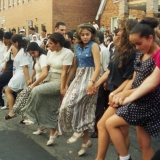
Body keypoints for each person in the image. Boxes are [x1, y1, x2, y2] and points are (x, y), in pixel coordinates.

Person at [106, 18, 160, 160]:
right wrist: (121, 93)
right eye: (134, 44)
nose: (137, 47)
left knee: (110, 123)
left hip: (147, 101)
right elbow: (136, 80)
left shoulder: (158, 55)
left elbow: (152, 84)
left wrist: (126, 96)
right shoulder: (140, 54)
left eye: (139, 43)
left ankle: (124, 158)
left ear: (150, 38)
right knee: (144, 144)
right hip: (138, 97)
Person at [95, 19, 137, 160]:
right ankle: (122, 157)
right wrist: (95, 84)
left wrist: (117, 93)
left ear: (127, 32)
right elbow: (109, 71)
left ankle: (103, 158)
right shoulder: (119, 49)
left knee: (103, 124)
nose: (117, 32)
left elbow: (130, 78)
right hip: (114, 92)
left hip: (121, 94)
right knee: (122, 131)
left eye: (120, 29)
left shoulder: (132, 52)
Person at [23, 32, 73, 146]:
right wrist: (40, 80)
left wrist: (63, 87)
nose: (48, 46)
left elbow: (65, 72)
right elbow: (47, 68)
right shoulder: (50, 52)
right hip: (50, 78)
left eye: (50, 43)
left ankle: (27, 112)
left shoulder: (68, 53)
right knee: (48, 105)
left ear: (58, 43)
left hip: (59, 80)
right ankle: (49, 132)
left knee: (35, 90)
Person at [58, 23, 100, 156]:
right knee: (65, 105)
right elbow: (74, 67)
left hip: (90, 78)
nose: (85, 37)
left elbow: (98, 67)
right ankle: (85, 140)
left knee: (84, 109)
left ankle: (81, 135)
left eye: (87, 34)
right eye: (82, 34)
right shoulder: (76, 46)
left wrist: (92, 83)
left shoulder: (94, 46)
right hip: (78, 77)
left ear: (92, 34)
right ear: (79, 35)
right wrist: (66, 84)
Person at [13, 42, 48, 123]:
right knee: (22, 97)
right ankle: (28, 118)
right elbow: (35, 68)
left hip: (43, 82)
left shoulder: (43, 57)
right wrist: (31, 78)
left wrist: (34, 85)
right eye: (30, 53)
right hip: (38, 81)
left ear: (37, 50)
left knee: (25, 97)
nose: (32, 55)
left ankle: (29, 117)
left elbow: (45, 73)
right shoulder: (37, 57)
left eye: (33, 52)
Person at [4, 34, 33, 119]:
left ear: (16, 43)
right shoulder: (26, 50)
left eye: (13, 43)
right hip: (22, 74)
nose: (13, 45)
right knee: (22, 96)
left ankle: (11, 111)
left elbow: (25, 66)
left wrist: (27, 80)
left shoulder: (22, 52)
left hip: (21, 75)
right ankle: (24, 117)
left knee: (8, 91)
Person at [0, 32, 15, 109]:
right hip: (8, 66)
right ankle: (3, 103)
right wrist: (5, 67)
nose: (3, 41)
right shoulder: (7, 47)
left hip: (12, 68)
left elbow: (15, 60)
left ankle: (0, 101)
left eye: (4, 39)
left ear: (8, 39)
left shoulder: (13, 47)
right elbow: (6, 59)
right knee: (8, 86)